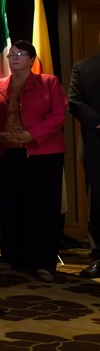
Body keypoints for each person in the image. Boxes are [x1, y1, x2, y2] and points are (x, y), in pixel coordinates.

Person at [0, 40, 67, 283]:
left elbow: (58, 115)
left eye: (20, 54)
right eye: (11, 55)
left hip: (42, 155)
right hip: (5, 154)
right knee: (10, 207)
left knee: (42, 209)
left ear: (32, 60)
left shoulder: (49, 83)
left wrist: (32, 135)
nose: (15, 58)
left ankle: (43, 263)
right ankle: (11, 258)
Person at [69, 48, 100, 278]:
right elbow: (75, 101)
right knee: (97, 203)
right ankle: (98, 256)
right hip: (96, 145)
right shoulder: (83, 66)